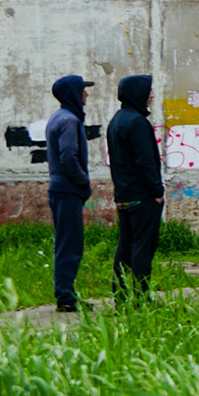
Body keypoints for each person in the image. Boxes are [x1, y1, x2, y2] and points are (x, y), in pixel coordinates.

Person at [107, 74, 165, 305]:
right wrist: (157, 191)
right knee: (143, 247)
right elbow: (145, 161)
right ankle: (142, 297)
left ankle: (120, 296)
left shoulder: (117, 120)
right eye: (148, 91)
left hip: (124, 195)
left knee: (125, 246)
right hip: (143, 197)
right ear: (137, 94)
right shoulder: (138, 123)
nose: (151, 95)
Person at [45, 74, 95, 312]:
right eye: (82, 90)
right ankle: (65, 297)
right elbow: (68, 158)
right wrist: (84, 182)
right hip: (67, 190)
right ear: (73, 93)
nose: (86, 94)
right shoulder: (70, 121)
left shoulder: (58, 117)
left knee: (66, 243)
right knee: (70, 245)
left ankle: (66, 294)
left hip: (60, 189)